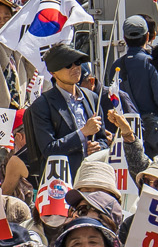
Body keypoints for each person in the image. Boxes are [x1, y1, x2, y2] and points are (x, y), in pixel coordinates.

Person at [25, 41, 117, 177]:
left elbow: (102, 138)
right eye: (68, 65)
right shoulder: (42, 104)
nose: (75, 68)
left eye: (78, 63)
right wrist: (83, 133)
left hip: (92, 174)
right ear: (53, 73)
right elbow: (49, 149)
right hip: (61, 180)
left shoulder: (92, 97)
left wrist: (98, 146)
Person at [107, 16, 158, 155]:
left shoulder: (116, 66)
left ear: (125, 39)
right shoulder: (150, 63)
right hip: (153, 135)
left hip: (126, 133)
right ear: (147, 36)